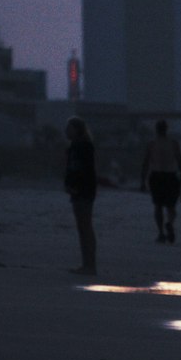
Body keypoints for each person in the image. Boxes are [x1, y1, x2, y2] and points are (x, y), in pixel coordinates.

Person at [140, 119, 181, 243]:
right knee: (171, 207)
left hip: (156, 176)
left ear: (156, 129)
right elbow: (180, 161)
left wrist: (142, 180)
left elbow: (145, 163)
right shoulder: (174, 143)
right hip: (171, 176)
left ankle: (161, 233)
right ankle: (169, 222)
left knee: (158, 206)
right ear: (166, 129)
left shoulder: (151, 143)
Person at [64, 116, 97, 276]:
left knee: (85, 227)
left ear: (77, 130)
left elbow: (84, 170)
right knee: (83, 228)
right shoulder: (76, 146)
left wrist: (75, 186)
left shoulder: (83, 146)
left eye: (69, 128)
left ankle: (90, 265)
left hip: (83, 190)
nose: (66, 131)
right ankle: (87, 264)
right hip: (80, 190)